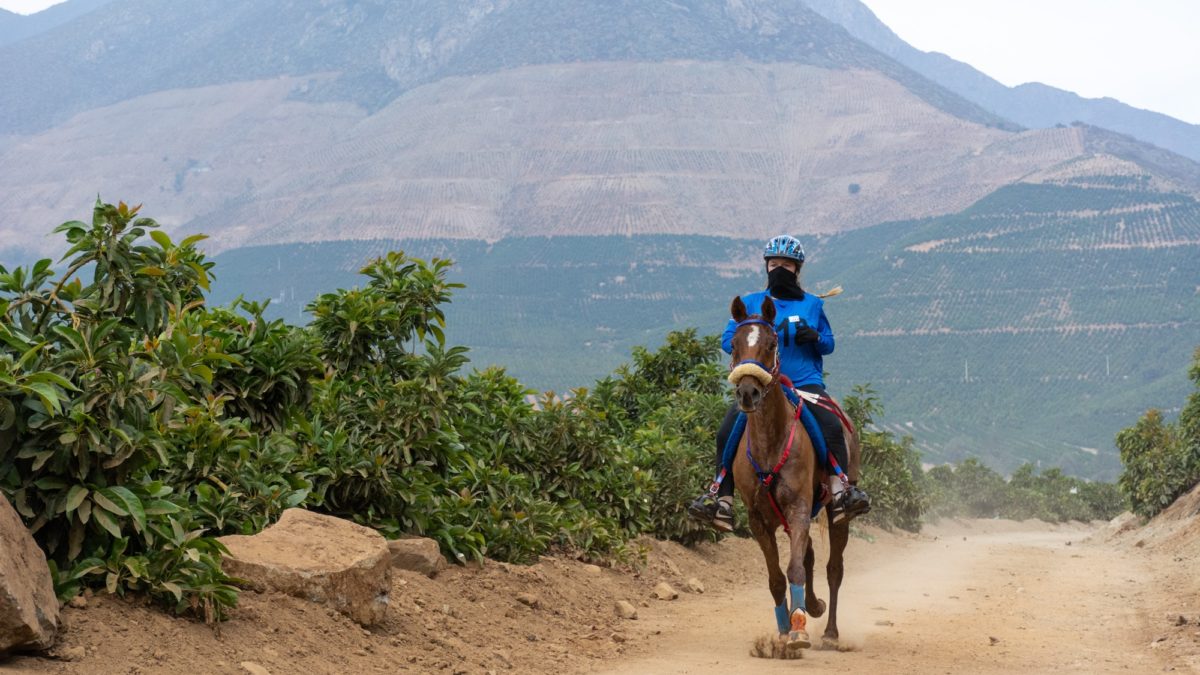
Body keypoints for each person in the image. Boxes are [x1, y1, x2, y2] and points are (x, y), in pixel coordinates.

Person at [688, 234, 870, 531]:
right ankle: (721, 500)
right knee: (726, 431)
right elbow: (727, 340)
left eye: (787, 263)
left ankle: (841, 492)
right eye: (774, 263)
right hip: (763, 385)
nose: (780, 268)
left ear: (797, 269)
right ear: (766, 266)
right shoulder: (749, 303)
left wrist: (815, 337)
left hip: (805, 384)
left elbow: (829, 344)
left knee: (832, 426)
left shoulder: (812, 304)